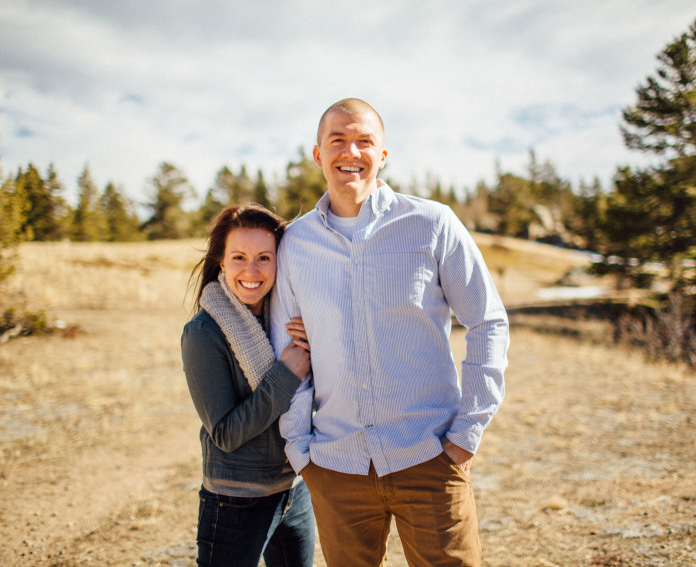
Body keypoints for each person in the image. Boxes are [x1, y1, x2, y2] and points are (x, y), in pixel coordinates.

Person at [270, 99, 509, 567]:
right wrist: (302, 452)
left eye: (364, 140)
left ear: (383, 154)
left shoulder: (432, 224)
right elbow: (288, 349)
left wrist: (467, 432)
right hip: (336, 465)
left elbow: (487, 320)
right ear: (318, 155)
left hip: (430, 455)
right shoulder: (295, 244)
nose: (350, 151)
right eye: (336, 140)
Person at [182, 204, 316, 567]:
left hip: (294, 489)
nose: (252, 271)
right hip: (236, 500)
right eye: (239, 257)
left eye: (264, 258)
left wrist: (319, 342)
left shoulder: (290, 319)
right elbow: (225, 432)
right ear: (221, 262)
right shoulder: (203, 334)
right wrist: (286, 374)